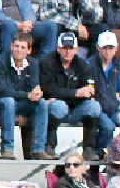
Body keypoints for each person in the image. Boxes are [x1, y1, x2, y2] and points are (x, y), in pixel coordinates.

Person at [40, 32, 110, 160]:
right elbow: (47, 89)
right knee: (58, 106)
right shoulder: (47, 62)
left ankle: (89, 148)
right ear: (58, 48)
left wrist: (64, 94)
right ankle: (49, 146)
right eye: (64, 48)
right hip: (58, 107)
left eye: (71, 48)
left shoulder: (83, 65)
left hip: (76, 107)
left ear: (76, 50)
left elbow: (89, 91)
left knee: (94, 106)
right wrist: (75, 93)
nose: (67, 52)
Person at [0, 32, 56, 159]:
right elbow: (0, 90)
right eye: (16, 46)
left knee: (42, 104)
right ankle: (7, 149)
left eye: (23, 47)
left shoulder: (33, 64)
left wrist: (37, 93)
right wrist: (28, 95)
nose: (19, 50)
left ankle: (38, 149)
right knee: (8, 102)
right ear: (11, 46)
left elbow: (34, 86)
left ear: (29, 50)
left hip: (20, 101)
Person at [88, 31, 120, 150]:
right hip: (97, 108)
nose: (108, 51)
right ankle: (100, 153)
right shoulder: (89, 64)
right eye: (104, 48)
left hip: (113, 108)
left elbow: (119, 90)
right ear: (98, 47)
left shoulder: (119, 65)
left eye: (111, 48)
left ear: (116, 48)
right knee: (109, 127)